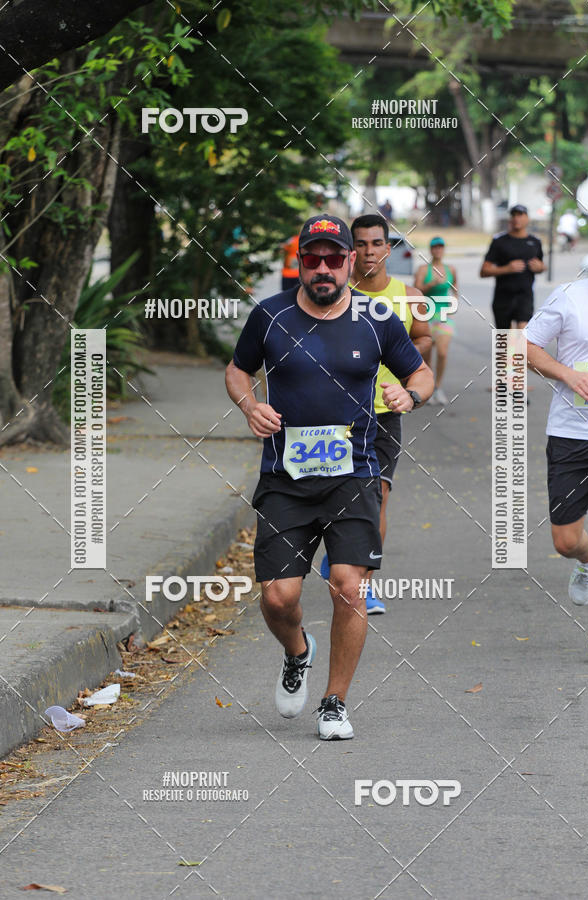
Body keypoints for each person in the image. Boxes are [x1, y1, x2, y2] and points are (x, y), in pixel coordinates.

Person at [225, 214, 433, 739]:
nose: (322, 268)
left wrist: (412, 394)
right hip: (285, 476)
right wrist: (250, 405)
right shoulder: (270, 316)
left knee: (348, 586)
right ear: (300, 262)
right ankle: (298, 653)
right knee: (278, 597)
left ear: (348, 262)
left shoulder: (377, 319)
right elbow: (236, 370)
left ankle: (335, 702)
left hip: (354, 474)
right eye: (311, 258)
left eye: (332, 258)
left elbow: (420, 371)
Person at [319, 213, 432, 615]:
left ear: (389, 247)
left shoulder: (411, 297)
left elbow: (422, 339)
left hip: (384, 414)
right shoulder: (333, 292)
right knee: (332, 493)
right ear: (350, 251)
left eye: (376, 243)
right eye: (361, 244)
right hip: (333, 414)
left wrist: (409, 384)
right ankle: (336, 555)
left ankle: (364, 584)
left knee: (377, 496)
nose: (369, 251)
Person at [525, 230, 588, 662]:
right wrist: (567, 375)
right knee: (565, 539)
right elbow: (528, 346)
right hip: (572, 433)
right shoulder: (570, 297)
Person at [480, 204, 545, 329]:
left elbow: (541, 265)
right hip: (503, 297)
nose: (516, 218)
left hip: (524, 296)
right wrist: (507, 269)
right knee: (504, 343)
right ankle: (508, 349)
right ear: (510, 219)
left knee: (521, 336)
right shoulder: (499, 241)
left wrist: (540, 268)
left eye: (520, 215)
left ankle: (516, 349)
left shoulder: (535, 242)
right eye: (513, 215)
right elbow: (483, 271)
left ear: (527, 218)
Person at [414, 236, 458, 406]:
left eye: (441, 247)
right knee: (427, 357)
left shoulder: (451, 269)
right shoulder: (424, 269)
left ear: (444, 249)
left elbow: (455, 290)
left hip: (443, 317)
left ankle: (438, 386)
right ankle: (429, 388)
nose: (438, 250)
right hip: (426, 316)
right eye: (435, 247)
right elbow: (416, 291)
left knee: (442, 352)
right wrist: (430, 285)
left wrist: (452, 308)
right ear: (431, 250)